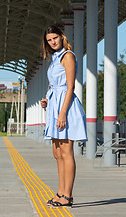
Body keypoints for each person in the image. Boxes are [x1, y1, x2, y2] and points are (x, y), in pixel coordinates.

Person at [40, 25, 87, 208]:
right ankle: (60, 192)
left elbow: (70, 87)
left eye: (55, 38)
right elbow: (54, 85)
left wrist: (62, 113)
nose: (53, 42)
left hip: (65, 108)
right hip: (54, 105)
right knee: (57, 153)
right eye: (49, 40)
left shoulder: (68, 56)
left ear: (62, 37)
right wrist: (46, 100)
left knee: (66, 152)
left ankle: (68, 195)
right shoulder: (54, 58)